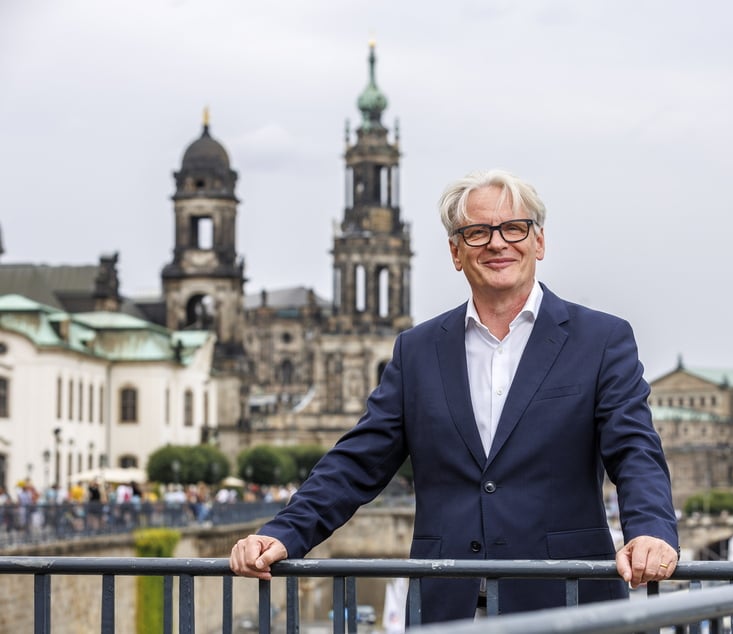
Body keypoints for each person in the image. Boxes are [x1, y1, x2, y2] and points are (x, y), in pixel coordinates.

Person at [230, 169, 679, 624]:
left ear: (538, 243)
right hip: (447, 611)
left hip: (565, 606)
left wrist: (651, 531)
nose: (498, 243)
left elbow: (635, 450)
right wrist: (284, 533)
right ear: (455, 252)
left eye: (513, 228)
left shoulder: (600, 339)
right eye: (477, 232)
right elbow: (358, 460)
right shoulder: (418, 349)